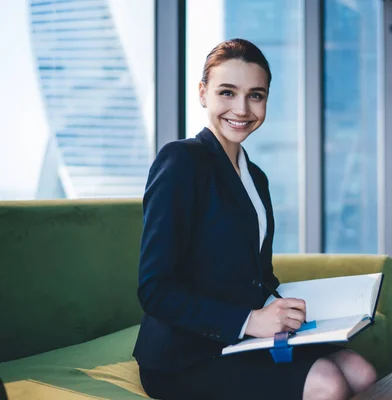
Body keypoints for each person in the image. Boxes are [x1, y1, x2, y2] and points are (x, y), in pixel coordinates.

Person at [132, 38, 376, 400]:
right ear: (203, 93)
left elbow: (257, 276)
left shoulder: (255, 176)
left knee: (362, 372)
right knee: (328, 383)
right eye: (227, 92)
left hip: (245, 336)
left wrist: (297, 311)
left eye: (256, 95)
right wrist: (249, 321)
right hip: (184, 354)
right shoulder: (181, 160)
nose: (242, 109)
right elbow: (154, 290)